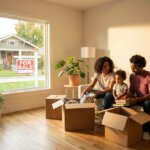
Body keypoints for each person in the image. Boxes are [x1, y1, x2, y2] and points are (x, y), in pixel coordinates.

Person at [126, 54, 150, 139]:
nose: (132, 70)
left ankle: (146, 130)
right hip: (138, 98)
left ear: (141, 67)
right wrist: (126, 96)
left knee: (147, 104)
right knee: (125, 103)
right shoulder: (132, 76)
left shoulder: (148, 76)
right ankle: (128, 128)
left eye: (134, 68)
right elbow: (132, 91)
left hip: (147, 99)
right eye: (131, 67)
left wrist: (136, 99)